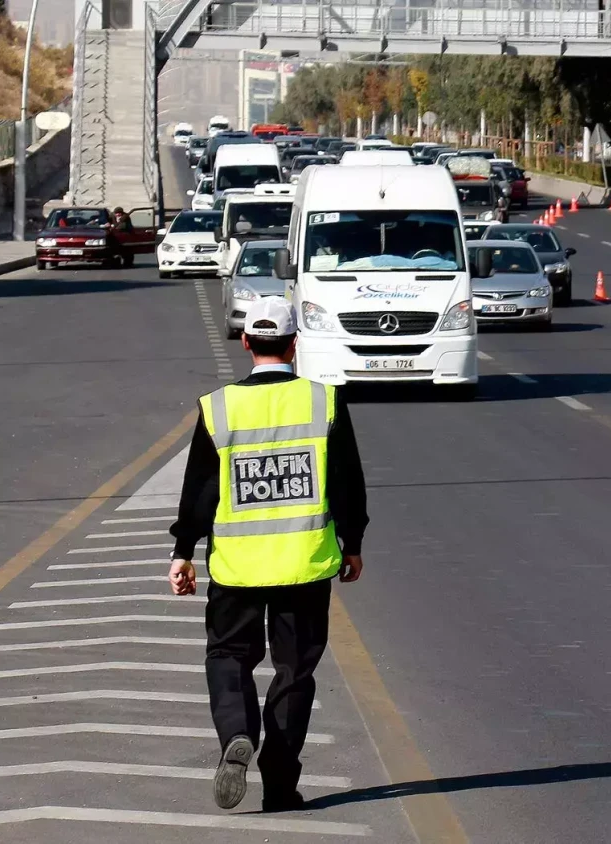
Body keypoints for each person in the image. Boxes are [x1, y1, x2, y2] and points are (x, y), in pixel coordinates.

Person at [168, 297, 369, 811]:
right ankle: (279, 783)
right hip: (304, 564)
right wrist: (354, 542)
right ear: (294, 343)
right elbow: (346, 482)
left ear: (245, 343)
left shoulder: (218, 407)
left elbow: (199, 490)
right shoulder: (324, 401)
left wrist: (183, 551)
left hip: (237, 567)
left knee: (229, 656)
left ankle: (237, 732)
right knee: (294, 671)